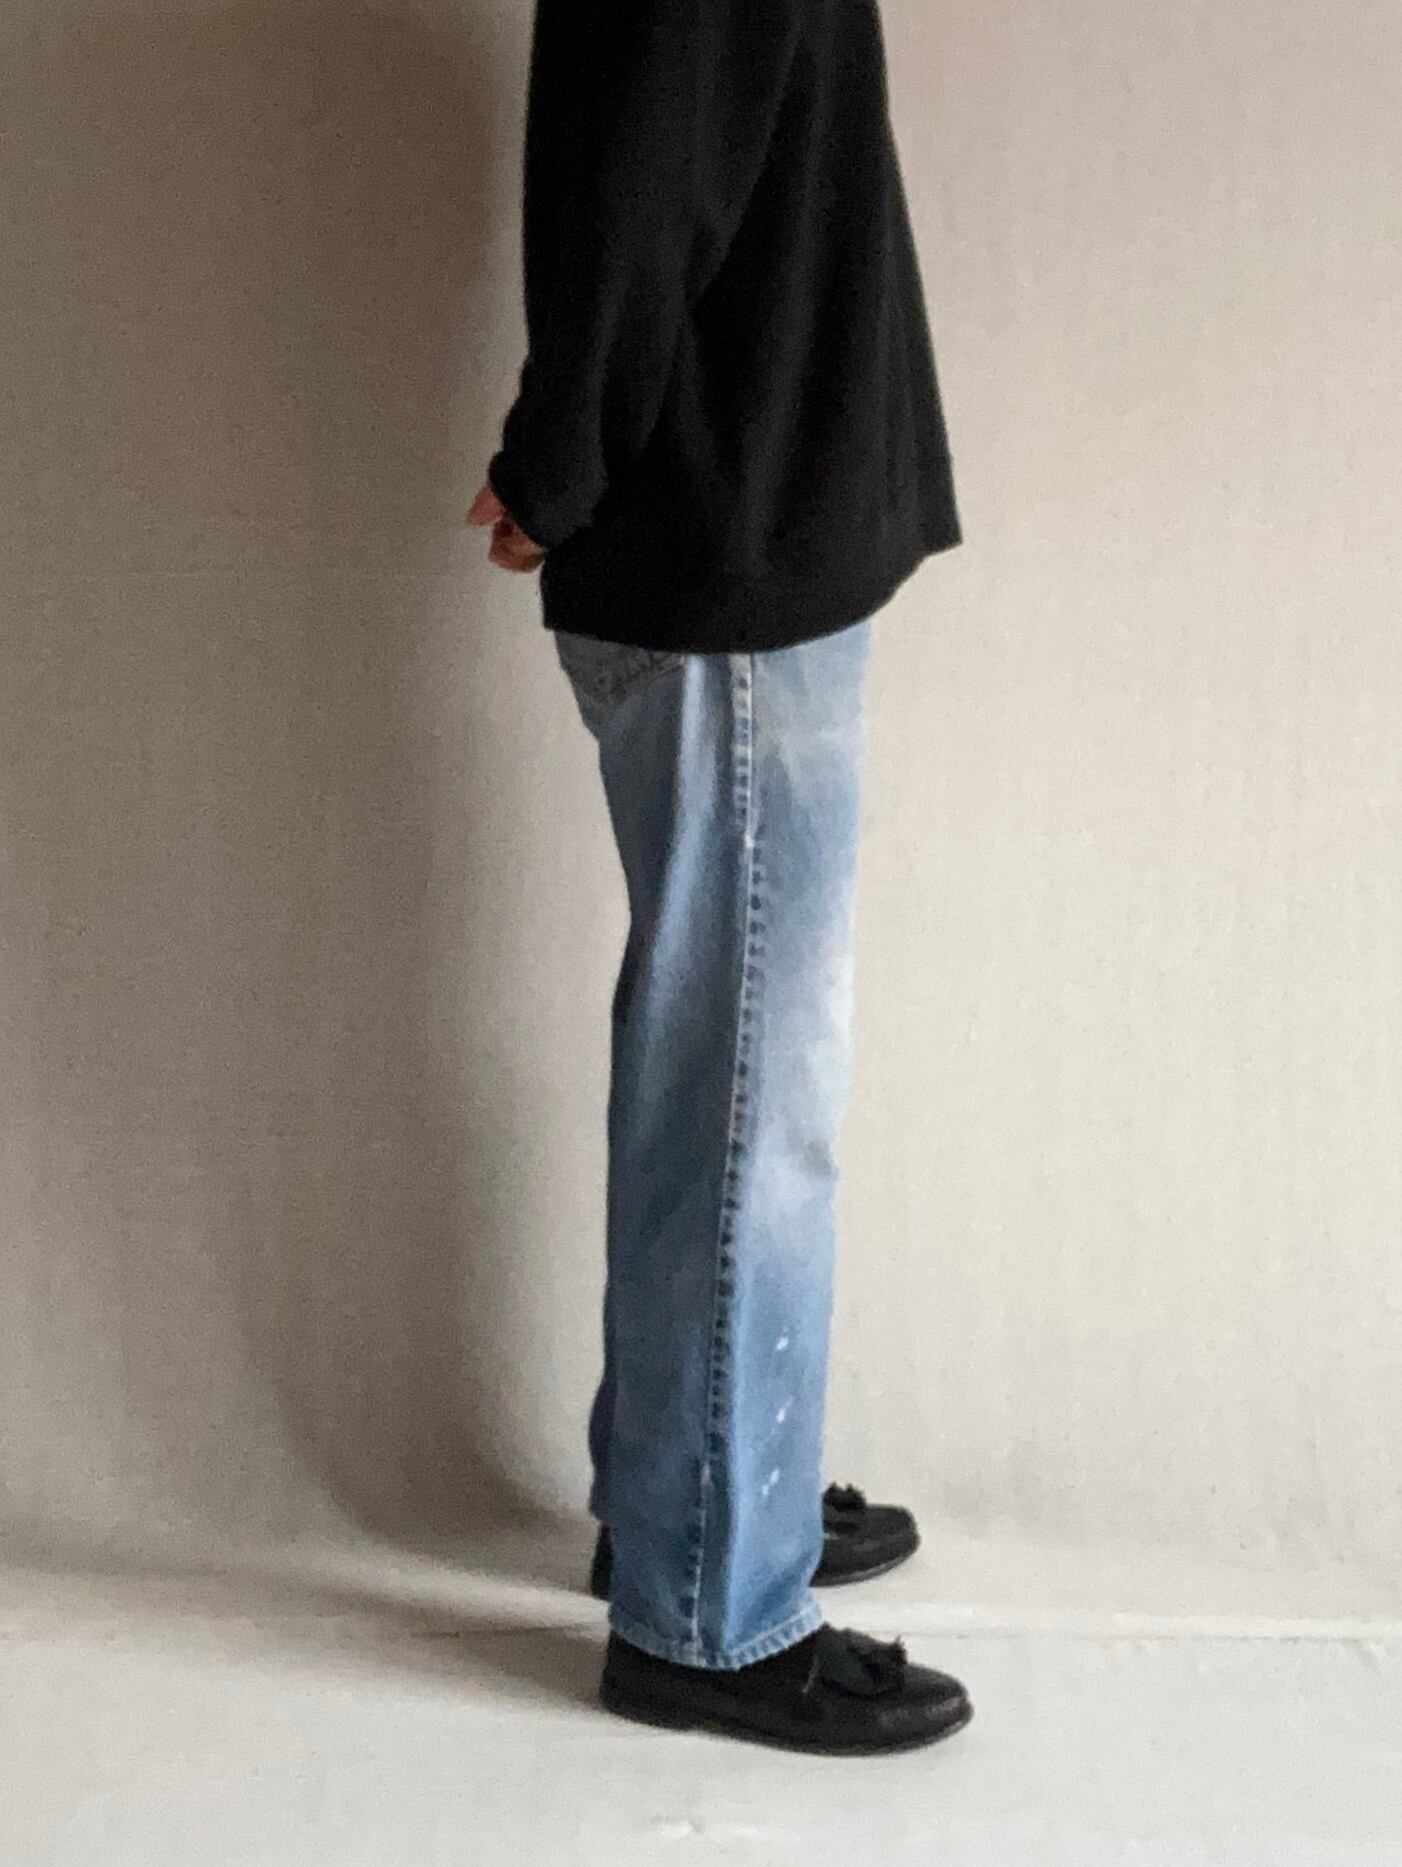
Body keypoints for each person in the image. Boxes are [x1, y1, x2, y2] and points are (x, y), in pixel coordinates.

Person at [467, 0, 971, 1756]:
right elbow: (647, 171)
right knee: (750, 1089)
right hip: (722, 539)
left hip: (750, 525)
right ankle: (707, 1607)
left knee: (730, 1070)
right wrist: (559, 460)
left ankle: (691, 1491)